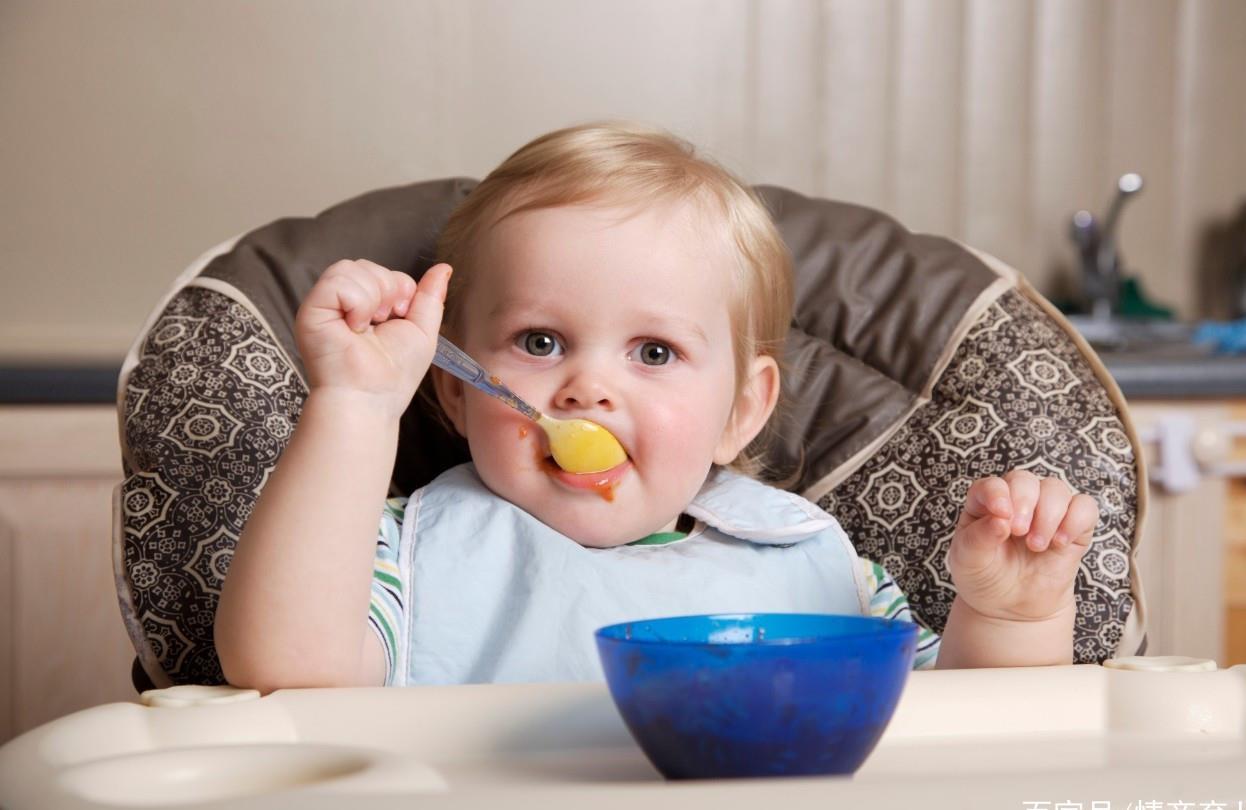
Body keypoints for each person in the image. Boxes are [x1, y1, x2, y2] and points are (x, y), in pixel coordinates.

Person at [214, 123, 1100, 692]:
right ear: (451, 387)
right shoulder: (407, 555)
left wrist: (1013, 618)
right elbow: (287, 669)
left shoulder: (818, 573)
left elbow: (972, 743)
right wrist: (359, 405)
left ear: (740, 412)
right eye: (540, 341)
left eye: (654, 353)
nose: (589, 388)